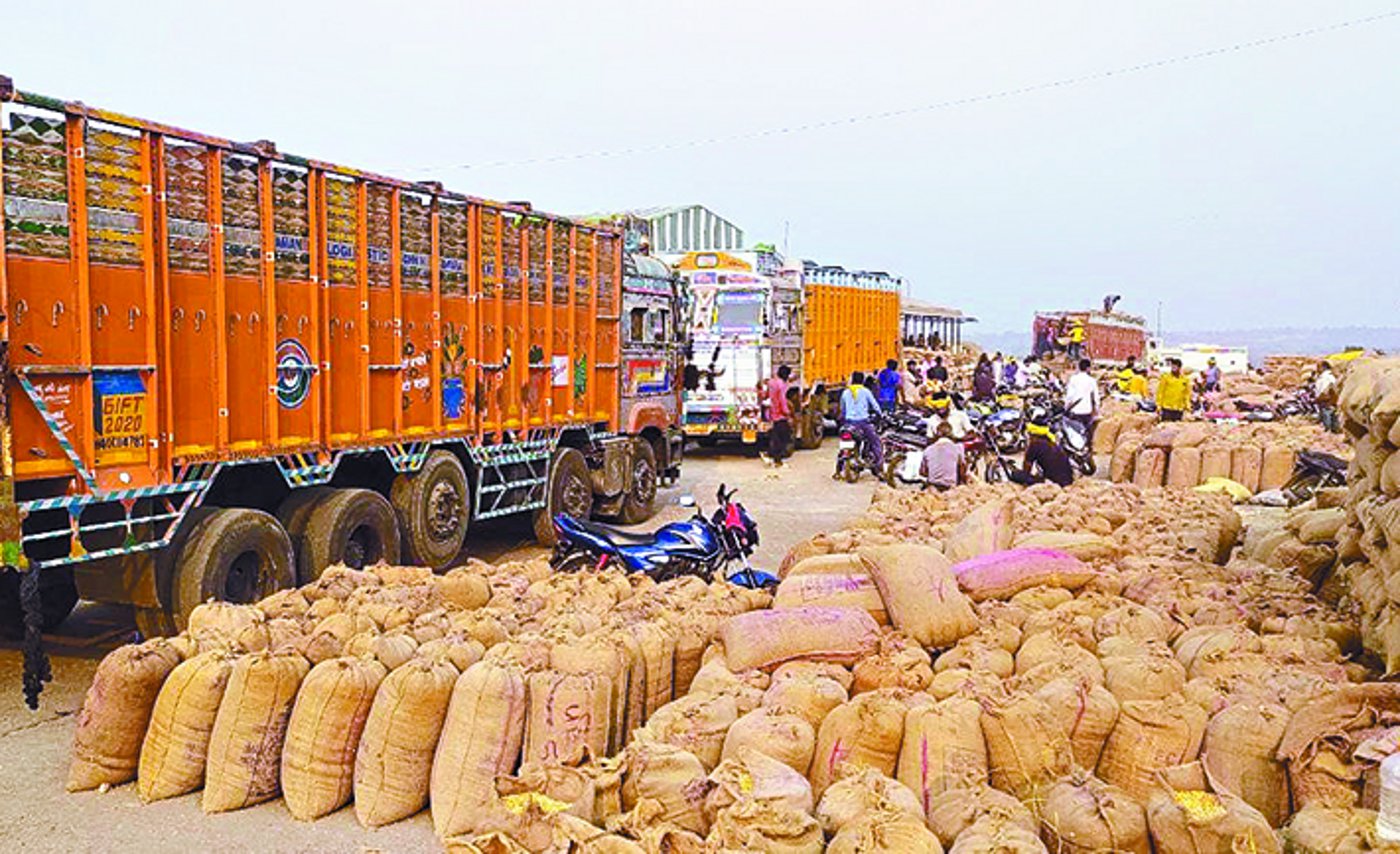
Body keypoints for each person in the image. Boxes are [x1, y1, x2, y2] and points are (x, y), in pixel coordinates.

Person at [1011, 409, 1074, 487]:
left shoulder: (1035, 444)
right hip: (1068, 480)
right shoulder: (1051, 440)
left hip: (1053, 483)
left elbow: (1027, 469)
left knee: (1016, 475)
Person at [839, 371, 884, 472]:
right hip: (863, 423)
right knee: (876, 442)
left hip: (849, 423)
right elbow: (875, 406)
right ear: (862, 380)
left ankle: (838, 470)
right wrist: (880, 414)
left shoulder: (845, 392)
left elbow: (842, 408)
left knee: (843, 444)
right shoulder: (865, 391)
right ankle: (879, 467)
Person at [921, 421, 967, 491]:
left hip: (932, 486)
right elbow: (962, 470)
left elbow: (923, 472)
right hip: (950, 487)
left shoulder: (928, 450)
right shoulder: (958, 448)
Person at [763, 365, 794, 466]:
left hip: (771, 413)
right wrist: (787, 412)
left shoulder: (771, 383)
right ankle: (777, 459)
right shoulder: (782, 385)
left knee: (775, 436)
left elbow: (765, 395)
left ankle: (771, 455)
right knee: (784, 437)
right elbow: (782, 400)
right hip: (780, 415)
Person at [1064, 358, 1099, 442]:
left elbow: (1069, 396)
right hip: (1087, 411)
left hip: (1075, 410)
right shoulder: (1092, 380)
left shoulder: (1073, 379)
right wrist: (1097, 410)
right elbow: (1096, 398)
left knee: (1075, 433)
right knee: (1086, 433)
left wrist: (1066, 407)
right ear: (1088, 368)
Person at [1314, 360, 1340, 432]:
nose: (1317, 369)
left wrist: (1319, 399)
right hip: (1326, 402)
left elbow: (1326, 391)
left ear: (1323, 367)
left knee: (1328, 424)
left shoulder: (1326, 377)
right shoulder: (1324, 377)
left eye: (1318, 367)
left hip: (1326, 403)